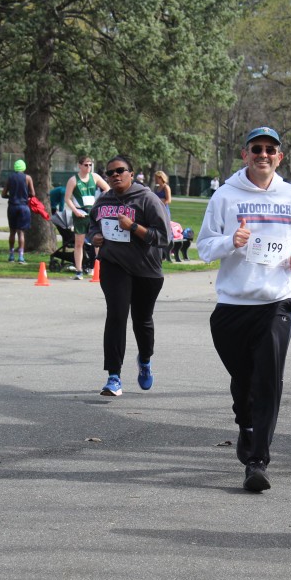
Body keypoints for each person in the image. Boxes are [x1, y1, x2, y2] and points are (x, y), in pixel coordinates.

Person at [197, 126, 291, 493]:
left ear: (279, 156)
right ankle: (246, 424)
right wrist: (230, 241)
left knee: (268, 379)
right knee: (244, 380)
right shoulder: (225, 196)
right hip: (233, 304)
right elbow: (204, 246)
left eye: (270, 149)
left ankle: (257, 461)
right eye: (257, 149)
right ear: (245, 154)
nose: (263, 155)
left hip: (278, 300)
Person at [86, 155, 170, 398]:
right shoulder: (104, 200)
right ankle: (113, 376)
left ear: (131, 174)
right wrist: (94, 237)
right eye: (110, 172)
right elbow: (92, 225)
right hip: (114, 265)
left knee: (142, 321)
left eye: (120, 170)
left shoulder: (147, 199)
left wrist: (133, 227)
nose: (115, 175)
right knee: (116, 316)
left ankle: (145, 360)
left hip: (146, 269)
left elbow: (164, 238)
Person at [64, 155, 108, 278]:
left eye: (90, 165)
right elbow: (67, 198)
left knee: (98, 242)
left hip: (93, 213)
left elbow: (107, 188)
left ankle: (98, 269)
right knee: (79, 243)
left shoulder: (95, 177)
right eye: (86, 165)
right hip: (80, 214)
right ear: (80, 165)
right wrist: (75, 211)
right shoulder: (73, 180)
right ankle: (79, 271)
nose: (88, 167)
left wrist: (100, 203)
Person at [2, 159, 36, 264]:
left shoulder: (10, 178)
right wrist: (26, 196)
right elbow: (33, 193)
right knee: (21, 233)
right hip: (23, 207)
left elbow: (3, 194)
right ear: (24, 168)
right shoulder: (28, 178)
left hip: (12, 206)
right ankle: (21, 256)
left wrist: (11, 196)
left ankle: (11, 255)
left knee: (12, 231)